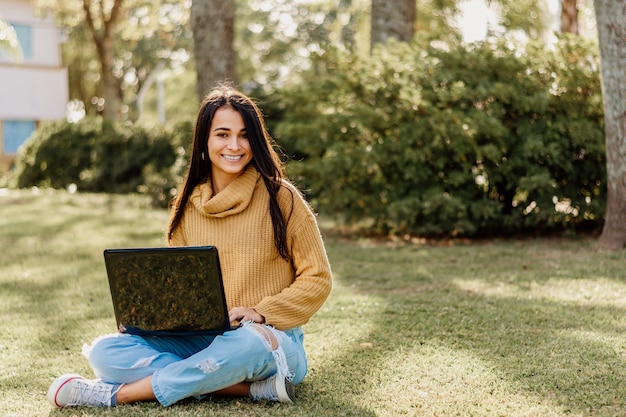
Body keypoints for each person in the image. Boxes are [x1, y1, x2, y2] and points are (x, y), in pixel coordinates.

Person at [47, 85, 333, 408]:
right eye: (222, 135)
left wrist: (261, 312)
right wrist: (151, 317)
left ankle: (117, 395)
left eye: (243, 135)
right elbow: (178, 289)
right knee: (105, 353)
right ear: (205, 141)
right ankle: (246, 389)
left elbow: (318, 279)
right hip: (204, 341)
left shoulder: (283, 199)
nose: (234, 146)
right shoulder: (186, 208)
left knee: (248, 346)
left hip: (271, 342)